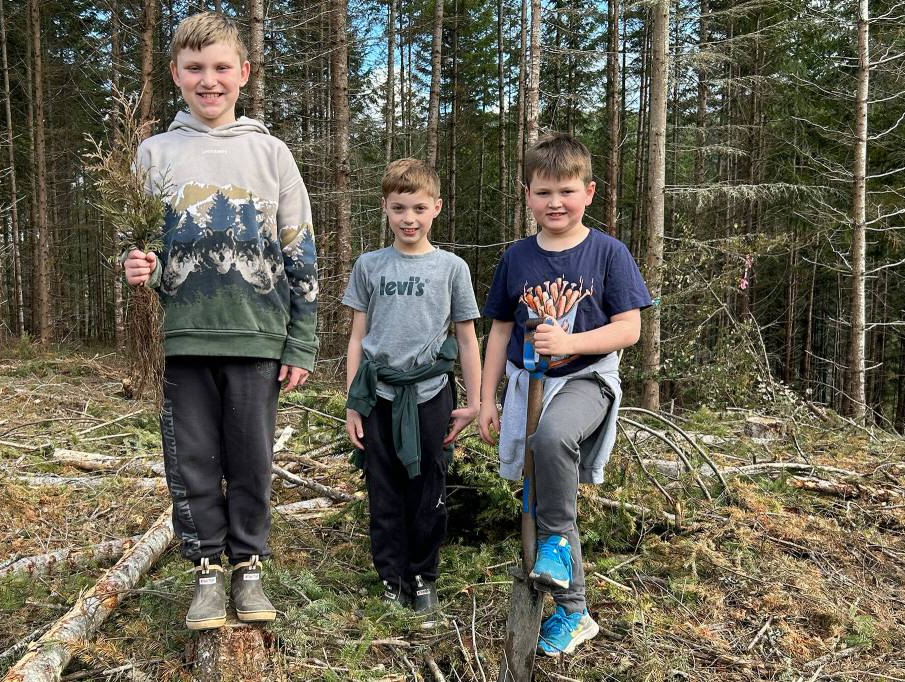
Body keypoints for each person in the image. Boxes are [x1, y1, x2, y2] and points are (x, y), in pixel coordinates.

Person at [122, 12, 317, 630]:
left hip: (258, 335)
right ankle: (207, 569)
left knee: (252, 457)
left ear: (244, 73)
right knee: (193, 459)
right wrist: (134, 266)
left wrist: (301, 341)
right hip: (181, 339)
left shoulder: (271, 153)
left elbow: (300, 249)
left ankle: (249, 565)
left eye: (221, 68)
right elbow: (135, 243)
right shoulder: (154, 153)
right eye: (196, 69)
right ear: (176, 73)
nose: (210, 81)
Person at [477, 134, 651, 656]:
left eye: (567, 191)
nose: (556, 202)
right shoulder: (517, 258)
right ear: (527, 194)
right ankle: (574, 612)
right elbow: (500, 333)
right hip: (527, 386)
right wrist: (486, 399)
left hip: (587, 379)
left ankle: (554, 545)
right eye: (544, 191)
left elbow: (629, 328)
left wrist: (570, 342)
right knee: (544, 486)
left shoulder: (607, 254)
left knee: (552, 441)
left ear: (589, 192)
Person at [343, 158, 482, 629]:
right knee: (383, 487)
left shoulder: (452, 268)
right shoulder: (370, 265)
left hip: (430, 395)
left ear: (436, 208)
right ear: (384, 208)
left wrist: (477, 402)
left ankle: (423, 576)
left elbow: (467, 339)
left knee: (428, 488)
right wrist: (353, 403)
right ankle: (391, 577)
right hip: (379, 394)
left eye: (419, 208)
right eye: (399, 207)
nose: (409, 218)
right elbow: (358, 338)